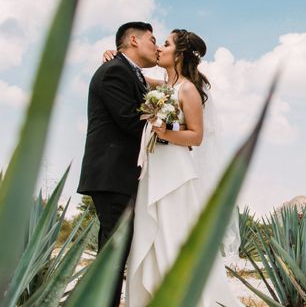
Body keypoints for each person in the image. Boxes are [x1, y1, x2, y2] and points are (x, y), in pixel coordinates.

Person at [124, 29, 242, 307]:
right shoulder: (165, 87)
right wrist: (113, 56)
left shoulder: (187, 88)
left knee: (173, 236)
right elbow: (135, 75)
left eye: (165, 44)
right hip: (154, 171)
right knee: (151, 236)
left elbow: (196, 135)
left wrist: (165, 131)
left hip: (175, 174)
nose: (160, 48)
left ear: (179, 55)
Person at [78, 21, 158, 307]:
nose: (157, 46)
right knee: (114, 251)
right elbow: (128, 120)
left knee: (115, 250)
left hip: (123, 176)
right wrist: (170, 129)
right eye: (152, 39)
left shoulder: (128, 71)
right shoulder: (115, 71)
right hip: (114, 175)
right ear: (134, 41)